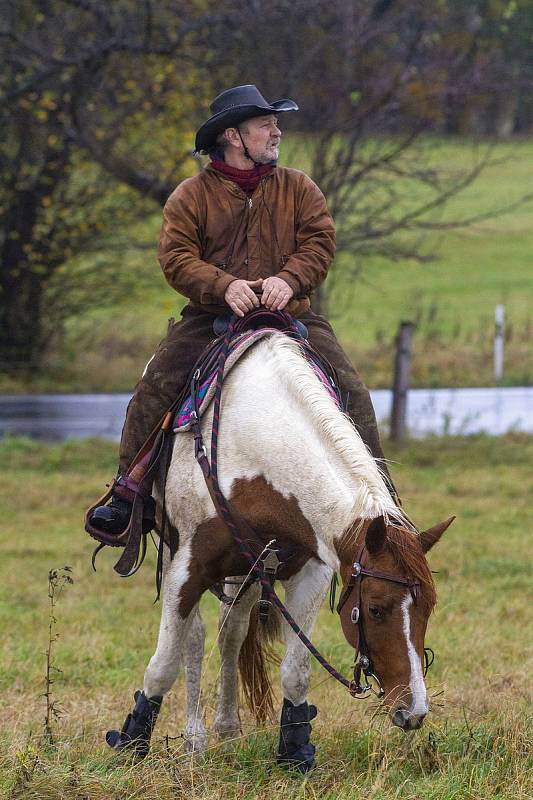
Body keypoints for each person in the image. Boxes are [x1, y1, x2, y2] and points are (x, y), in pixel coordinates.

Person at [87, 84, 396, 537]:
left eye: (275, 123)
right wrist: (224, 286)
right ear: (233, 136)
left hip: (293, 315)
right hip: (209, 320)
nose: (276, 131)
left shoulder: (300, 188)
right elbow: (175, 257)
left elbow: (320, 243)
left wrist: (286, 280)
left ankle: (382, 504)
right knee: (155, 389)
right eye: (265, 124)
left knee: (352, 391)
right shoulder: (189, 197)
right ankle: (128, 495)